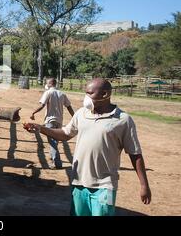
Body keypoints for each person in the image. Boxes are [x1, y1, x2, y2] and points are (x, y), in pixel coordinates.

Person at [23, 78, 151, 216]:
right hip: (79, 183)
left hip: (105, 186)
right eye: (86, 93)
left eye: (90, 93)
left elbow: (135, 154)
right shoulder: (81, 114)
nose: (86, 97)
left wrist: (144, 185)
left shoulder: (123, 120)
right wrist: (40, 128)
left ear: (104, 94)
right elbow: (65, 134)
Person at [30, 77, 74, 169]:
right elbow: (69, 107)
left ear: (50, 84)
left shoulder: (48, 93)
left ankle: (57, 163)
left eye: (47, 83)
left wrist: (33, 113)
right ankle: (54, 159)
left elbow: (42, 105)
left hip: (50, 121)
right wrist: (74, 117)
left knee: (52, 142)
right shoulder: (62, 94)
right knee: (55, 141)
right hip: (59, 121)